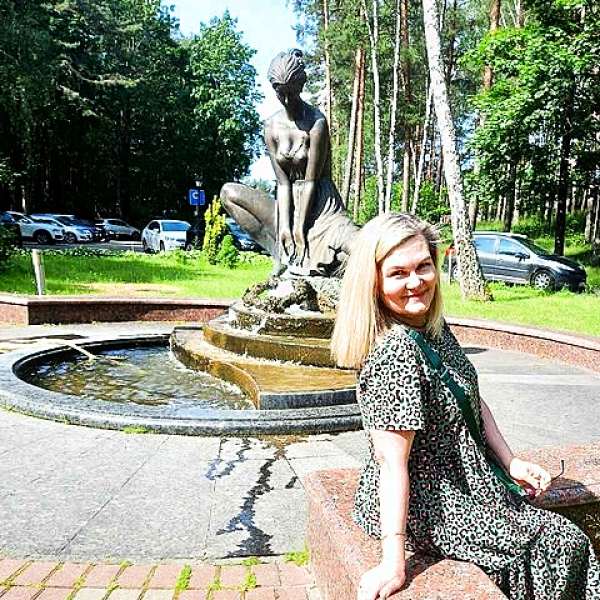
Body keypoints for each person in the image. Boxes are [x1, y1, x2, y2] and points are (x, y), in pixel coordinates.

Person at [330, 212, 600, 600]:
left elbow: (471, 398)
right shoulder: (396, 352)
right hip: (429, 501)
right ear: (372, 281)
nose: (416, 282)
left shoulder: (431, 327)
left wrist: (510, 461)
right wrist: (393, 562)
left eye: (423, 267)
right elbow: (392, 463)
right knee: (561, 543)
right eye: (398, 273)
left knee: (559, 540)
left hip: (466, 479)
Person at [220, 49, 357, 277]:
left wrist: (299, 228)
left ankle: (310, 251)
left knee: (358, 247)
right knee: (229, 193)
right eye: (280, 93)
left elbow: (311, 181)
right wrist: (284, 226)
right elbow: (283, 184)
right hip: (288, 206)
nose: (286, 100)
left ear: (300, 87)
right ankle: (281, 253)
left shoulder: (317, 123)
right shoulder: (271, 126)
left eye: (291, 93)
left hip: (323, 210)